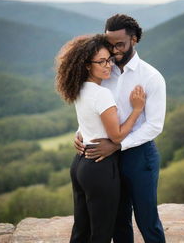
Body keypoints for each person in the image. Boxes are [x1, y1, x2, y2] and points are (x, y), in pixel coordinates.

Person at [75, 14, 166, 243]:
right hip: (109, 160)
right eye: (110, 45)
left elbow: (155, 125)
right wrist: (82, 132)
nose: (114, 51)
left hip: (139, 157)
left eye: (120, 45)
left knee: (147, 221)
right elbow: (97, 108)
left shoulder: (152, 77)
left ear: (134, 40)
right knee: (119, 221)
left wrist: (117, 145)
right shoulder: (105, 70)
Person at [55, 34, 146, 243]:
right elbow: (117, 135)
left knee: (82, 230)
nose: (108, 66)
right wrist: (137, 110)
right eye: (101, 61)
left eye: (109, 60)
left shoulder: (79, 88)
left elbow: (89, 123)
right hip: (100, 166)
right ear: (87, 65)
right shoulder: (101, 94)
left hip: (80, 163)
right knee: (101, 233)